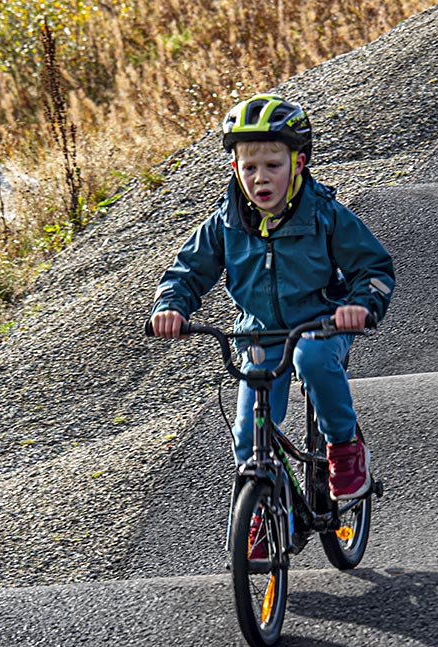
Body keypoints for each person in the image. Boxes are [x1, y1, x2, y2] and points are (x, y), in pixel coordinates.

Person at [146, 93, 394, 501]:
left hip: (321, 324)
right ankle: (264, 506)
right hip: (260, 335)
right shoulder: (224, 224)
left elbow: (374, 269)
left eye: (273, 166)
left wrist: (361, 305)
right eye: (250, 167)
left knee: (311, 358)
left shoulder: (324, 215)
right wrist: (171, 306)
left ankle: (345, 447)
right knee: (248, 435)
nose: (260, 178)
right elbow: (186, 272)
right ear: (234, 168)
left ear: (298, 164)